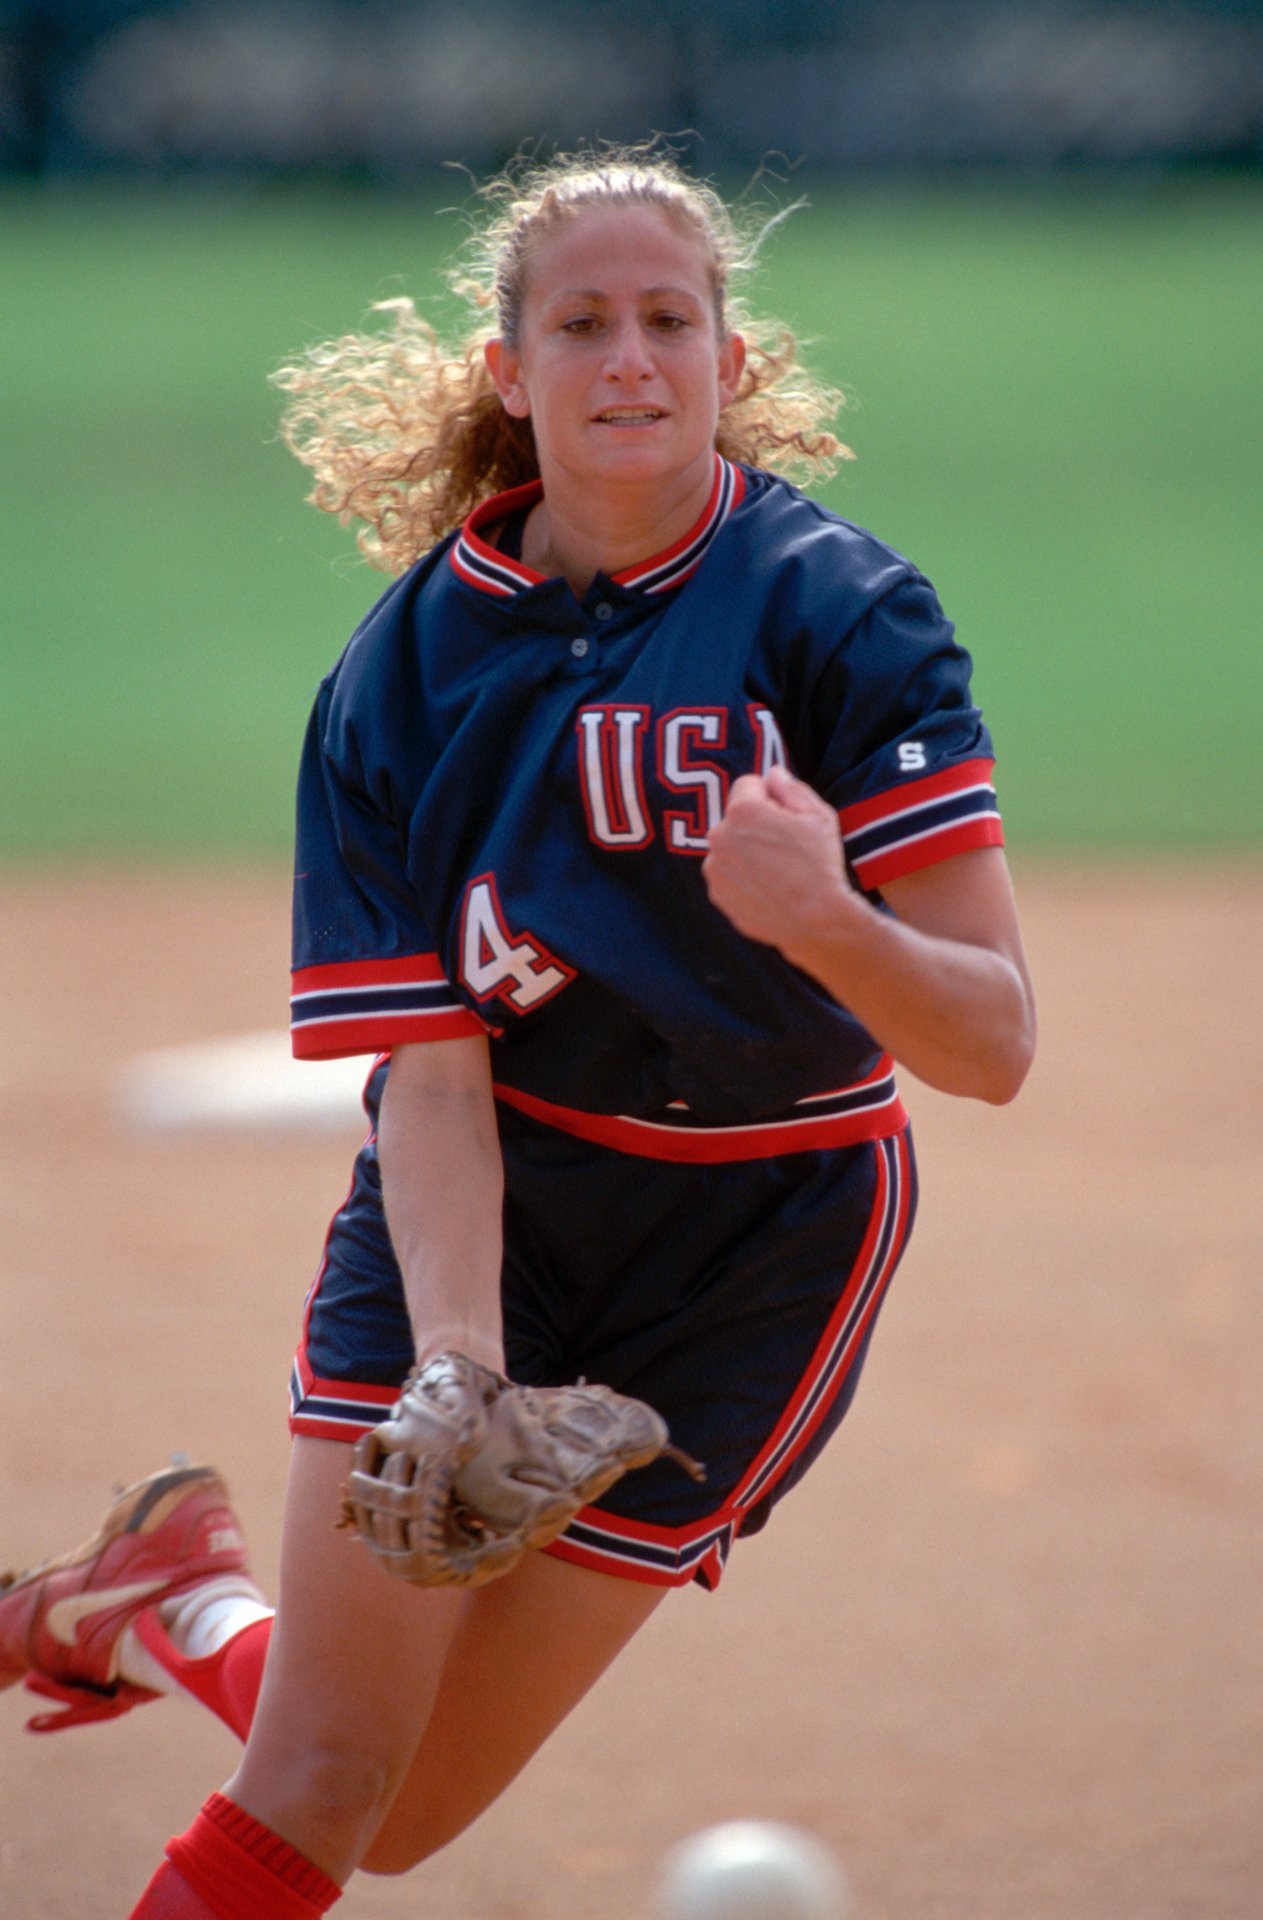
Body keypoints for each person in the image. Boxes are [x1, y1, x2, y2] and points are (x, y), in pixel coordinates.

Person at [0, 145, 1036, 1918]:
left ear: (730, 355)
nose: (629, 358)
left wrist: (827, 920)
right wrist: (457, 1366)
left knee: (395, 1816)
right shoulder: (402, 674)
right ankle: (195, 1595)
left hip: (758, 1248)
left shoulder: (842, 615)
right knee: (322, 1785)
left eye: (668, 321)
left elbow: (991, 1041)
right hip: (490, 1215)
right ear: (511, 370)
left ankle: (178, 1603)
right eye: (582, 324)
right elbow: (436, 1070)